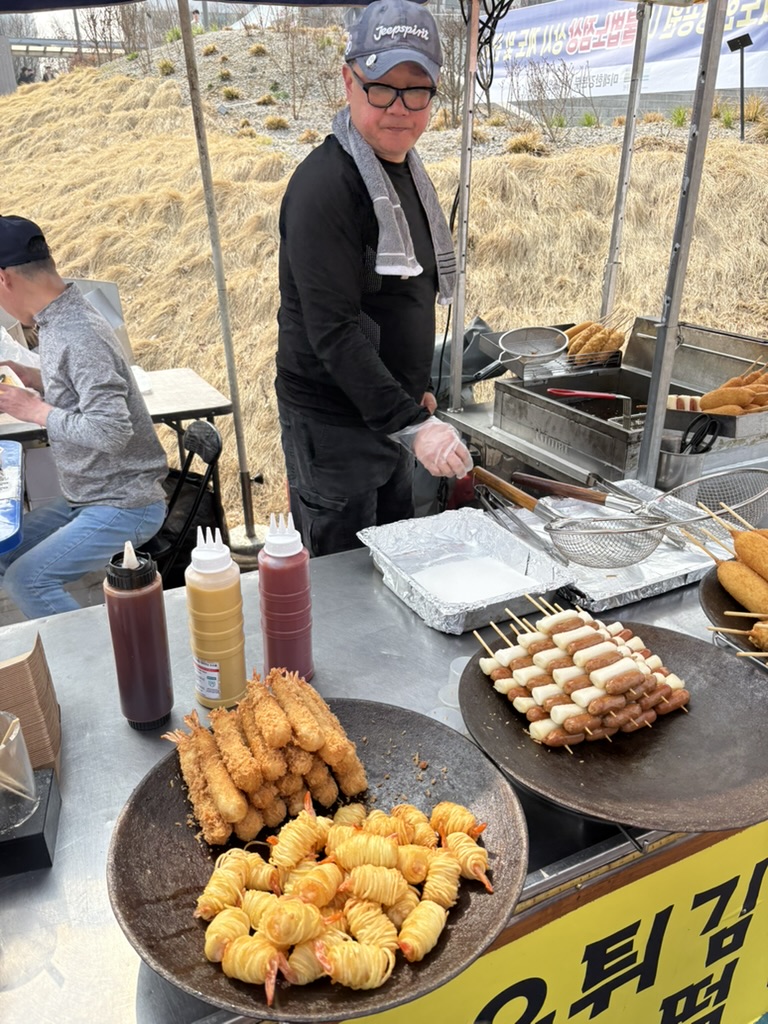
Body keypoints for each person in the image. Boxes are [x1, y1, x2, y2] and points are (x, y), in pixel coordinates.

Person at [275, 0, 472, 558]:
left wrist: (414, 388)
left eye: (417, 91)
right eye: (382, 88)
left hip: (388, 417)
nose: (400, 109)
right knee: (343, 577)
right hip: (334, 427)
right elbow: (334, 330)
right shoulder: (326, 187)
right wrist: (412, 423)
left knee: (393, 559)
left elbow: (402, 295)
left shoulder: (405, 172)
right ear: (349, 81)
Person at [0, 215, 168, 619]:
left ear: (3, 278)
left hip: (126, 502)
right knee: (5, 557)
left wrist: (35, 410)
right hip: (88, 496)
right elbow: (81, 386)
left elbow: (111, 430)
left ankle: (103, 654)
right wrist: (34, 379)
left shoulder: (78, 333)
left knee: (27, 580)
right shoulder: (59, 317)